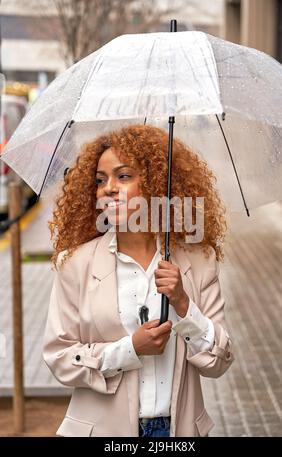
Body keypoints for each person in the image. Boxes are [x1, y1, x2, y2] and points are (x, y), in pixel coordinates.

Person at [43, 123, 234, 437]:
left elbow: (219, 362)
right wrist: (129, 349)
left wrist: (184, 306)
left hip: (179, 432)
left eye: (124, 176)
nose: (109, 188)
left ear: (157, 185)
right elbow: (59, 356)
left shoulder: (199, 261)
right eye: (101, 180)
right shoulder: (75, 263)